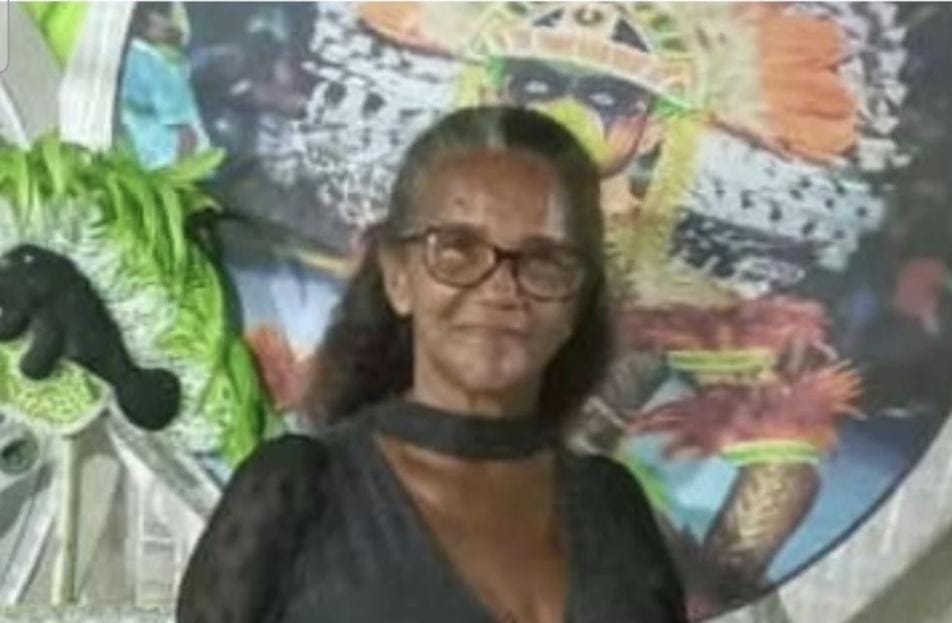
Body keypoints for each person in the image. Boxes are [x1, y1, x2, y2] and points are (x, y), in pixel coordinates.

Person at [175, 106, 687, 623]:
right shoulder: (298, 491)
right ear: (398, 277)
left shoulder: (611, 505)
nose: (500, 288)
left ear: (578, 300)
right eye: (459, 249)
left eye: (544, 259)